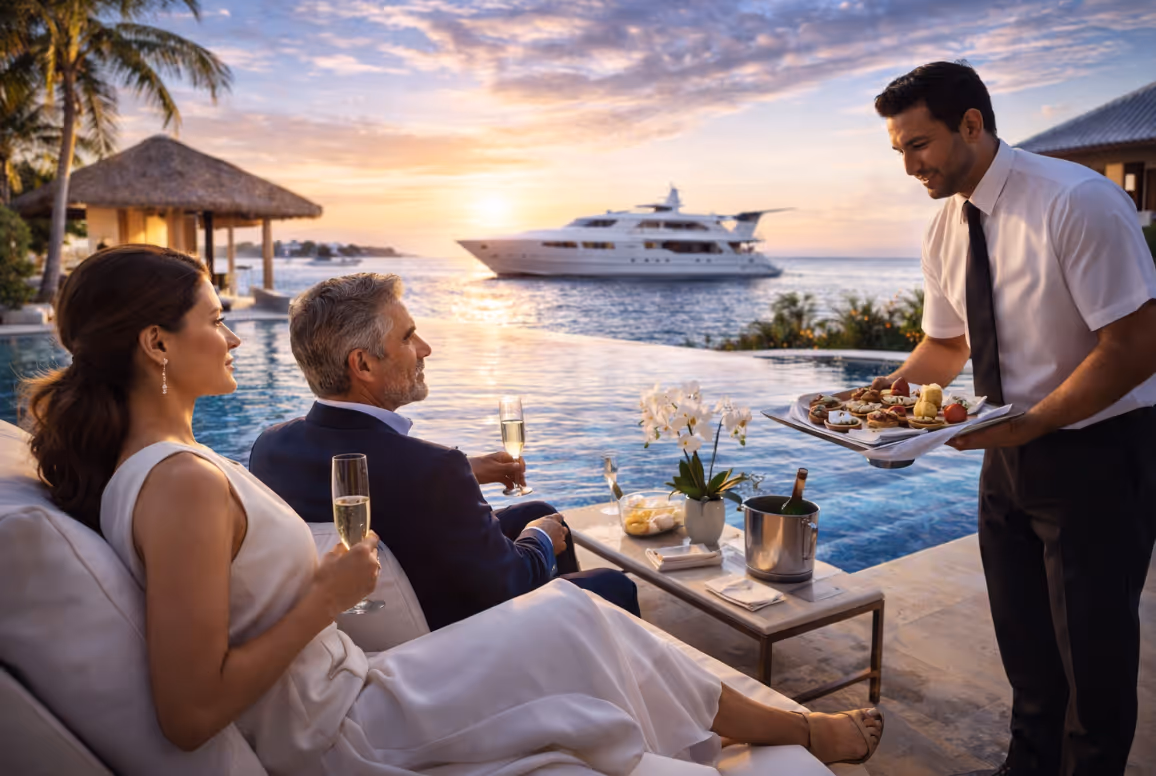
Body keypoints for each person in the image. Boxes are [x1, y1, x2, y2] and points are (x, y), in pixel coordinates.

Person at [21, 244, 882, 772]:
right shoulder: (178, 483)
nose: (237, 335)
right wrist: (325, 595)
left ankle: (792, 730)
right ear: (157, 342)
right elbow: (189, 713)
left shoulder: (173, 465)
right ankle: (802, 734)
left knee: (581, 624)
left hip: (348, 690)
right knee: (582, 619)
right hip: (342, 729)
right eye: (216, 317)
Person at [873, 62, 1156, 776]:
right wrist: (873, 403)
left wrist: (1034, 424)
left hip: (1099, 453)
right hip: (1006, 453)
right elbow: (945, 345)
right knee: (1025, 647)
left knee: (1094, 657)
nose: (909, 165)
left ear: (971, 123)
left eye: (919, 145)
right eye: (899, 150)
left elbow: (1136, 344)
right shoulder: (945, 225)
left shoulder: (1077, 201)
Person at [249, 273, 639, 629]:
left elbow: (379, 488)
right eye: (407, 337)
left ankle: (568, 647)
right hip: (452, 637)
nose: (425, 348)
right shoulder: (430, 468)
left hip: (380, 610)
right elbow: (510, 582)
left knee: (536, 510)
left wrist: (467, 471)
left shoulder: (270, 448)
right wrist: (538, 540)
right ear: (363, 364)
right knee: (610, 584)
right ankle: (562, 655)